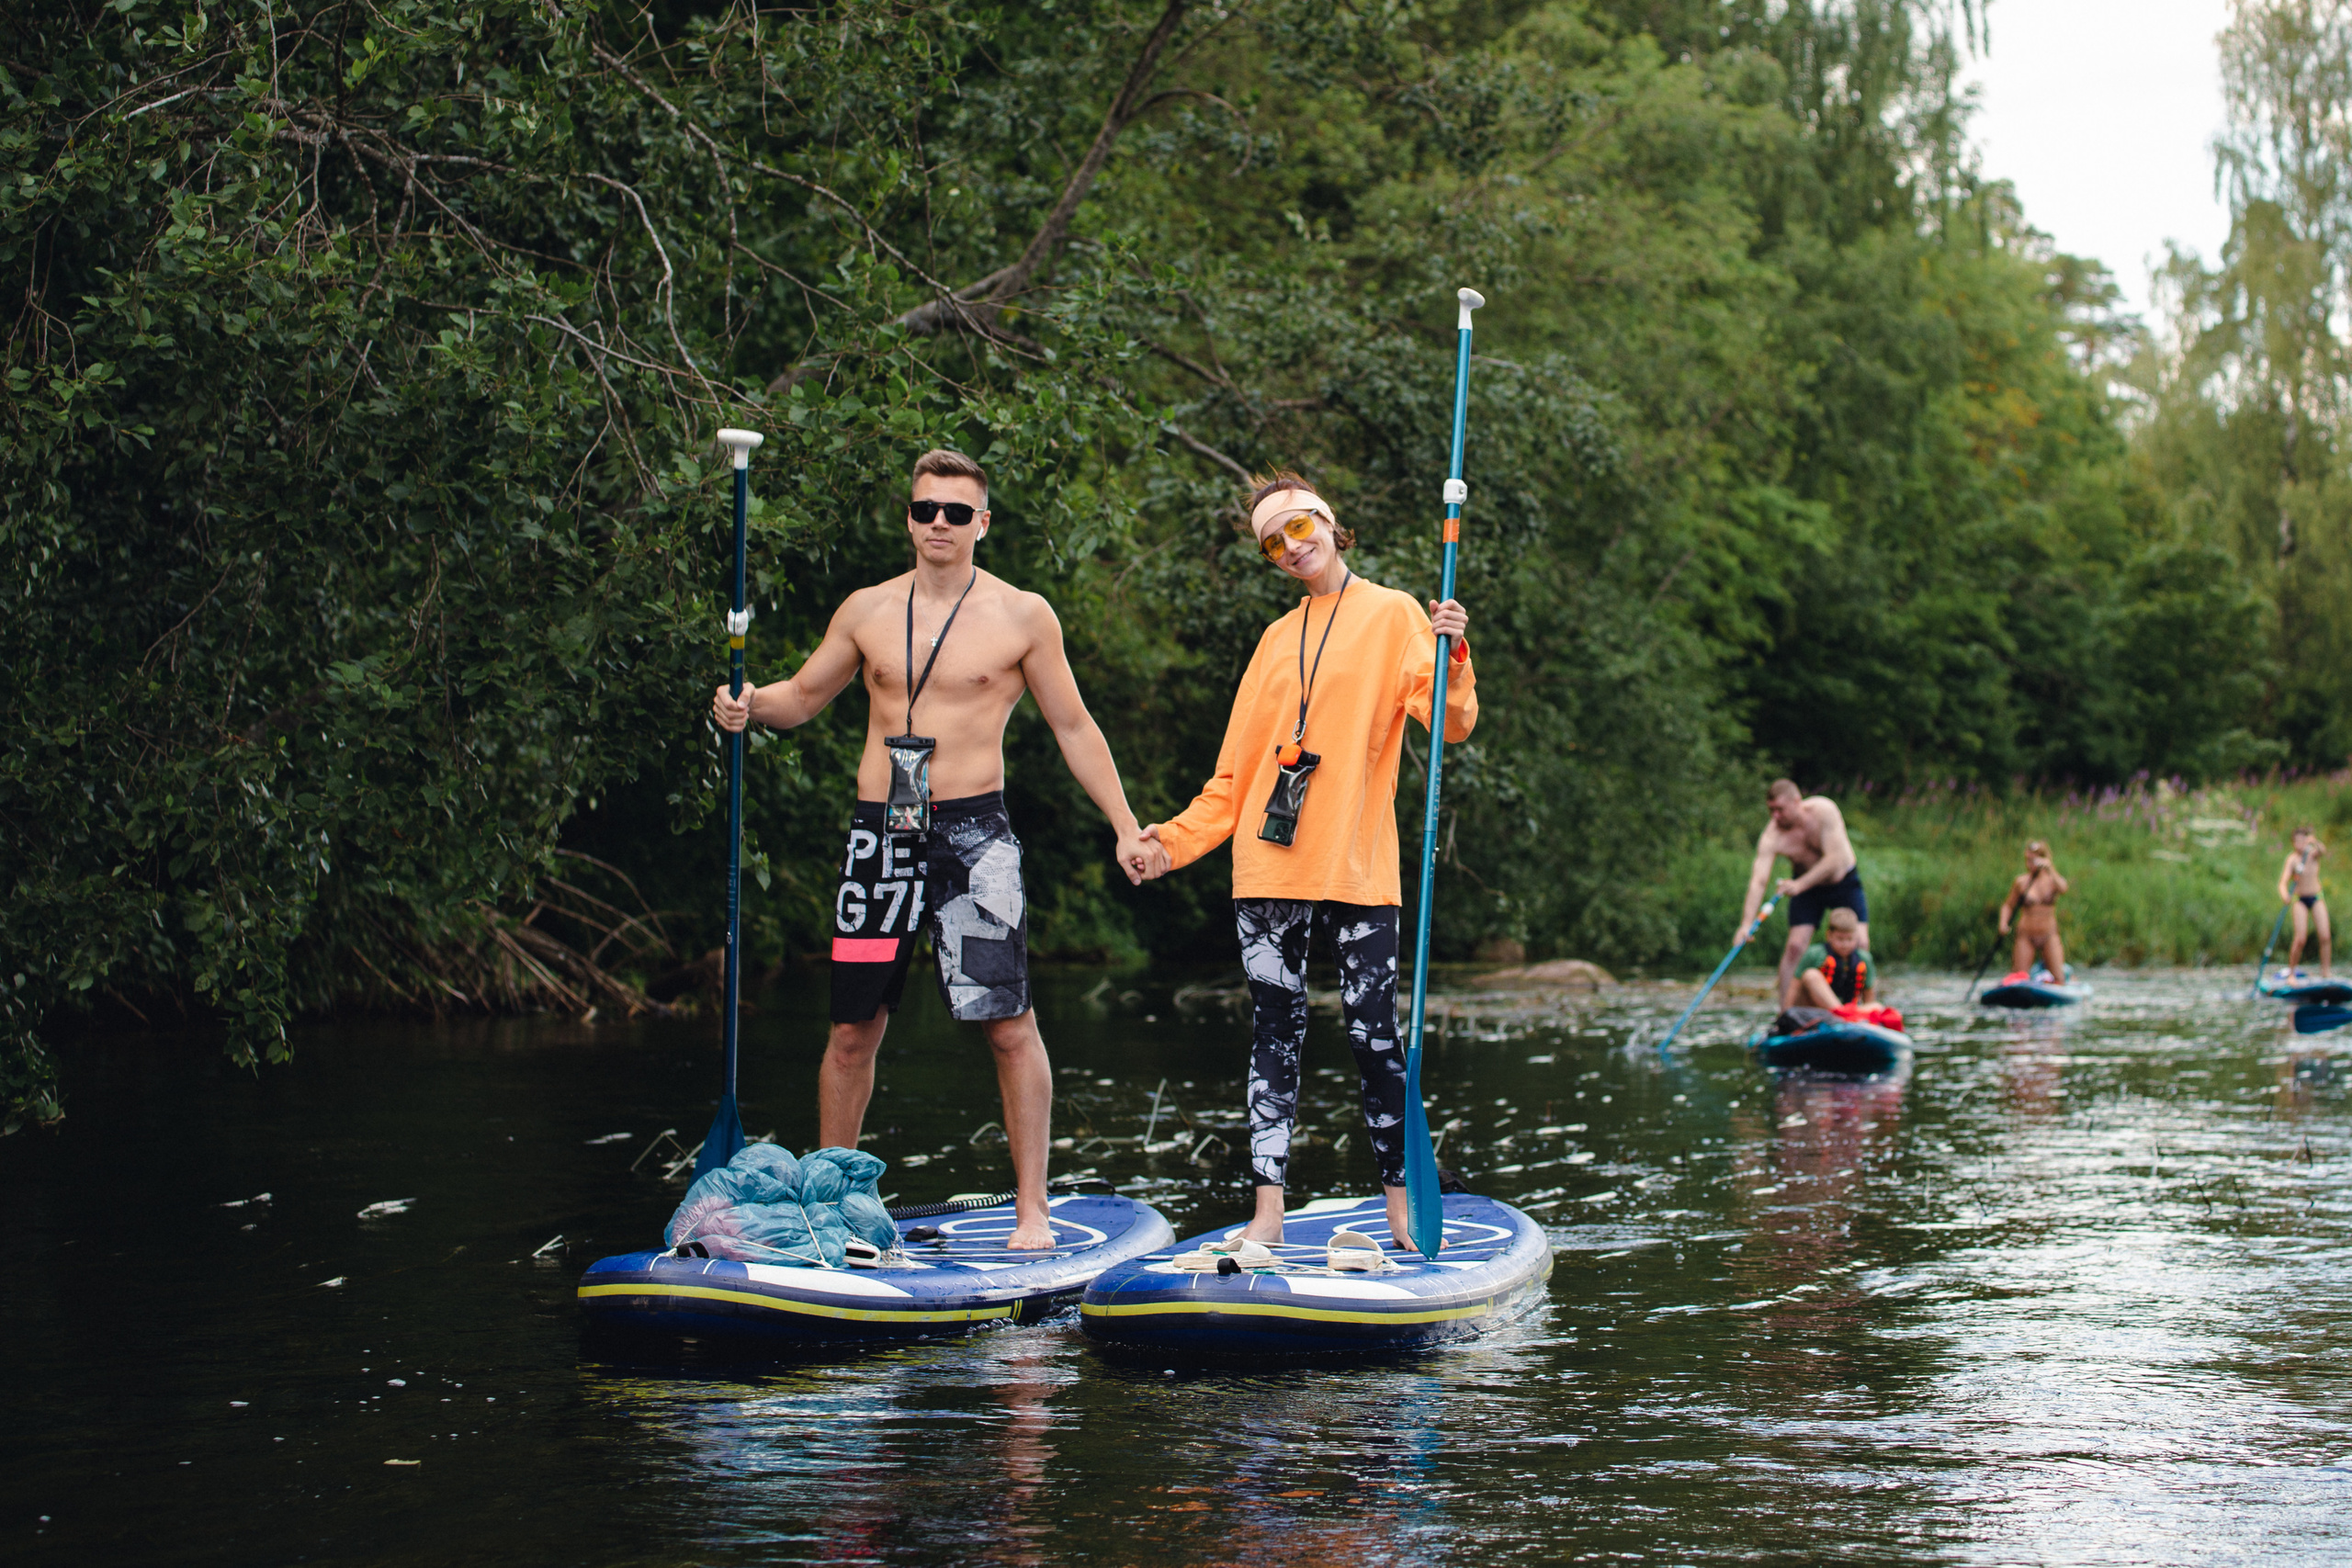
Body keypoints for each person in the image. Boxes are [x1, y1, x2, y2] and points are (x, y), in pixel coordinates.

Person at [711, 447, 1156, 1249]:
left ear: (983, 522)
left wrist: (1126, 824)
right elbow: (804, 696)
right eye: (926, 510)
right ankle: (832, 1205)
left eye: (956, 512)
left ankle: (1031, 1211)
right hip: (881, 835)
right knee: (852, 1029)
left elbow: (1073, 726)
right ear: (908, 518)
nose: (939, 524)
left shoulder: (1025, 615)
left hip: (974, 838)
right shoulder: (867, 609)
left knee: (1008, 1023)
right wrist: (748, 704)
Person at [1132, 471, 1476, 1253]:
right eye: (1273, 541)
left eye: (1298, 527)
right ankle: (1268, 1212)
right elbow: (1232, 781)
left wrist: (1453, 656)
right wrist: (1169, 844)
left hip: (1358, 865)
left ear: (1328, 520)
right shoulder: (1273, 641)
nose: (1292, 547)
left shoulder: (1394, 615)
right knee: (1274, 1035)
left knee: (1373, 1034)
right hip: (1268, 868)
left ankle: (1399, 1203)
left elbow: (1449, 724)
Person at [1737, 779, 1868, 1008]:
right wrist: (1746, 923)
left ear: (1797, 802)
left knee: (1861, 943)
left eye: (1780, 809)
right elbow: (1759, 880)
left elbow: (1834, 859)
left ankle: (1860, 1008)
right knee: (1795, 947)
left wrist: (1799, 885)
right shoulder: (1772, 836)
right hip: (1806, 887)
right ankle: (1786, 1014)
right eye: (1771, 810)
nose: (1775, 816)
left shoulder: (1824, 811)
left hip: (1842, 882)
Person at [1997, 840, 2070, 983]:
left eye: (2032, 860)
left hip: (2048, 934)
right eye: (2027, 860)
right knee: (2019, 976)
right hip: (2026, 935)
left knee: (2059, 978)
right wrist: (2003, 923)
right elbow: (2008, 905)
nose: (2028, 864)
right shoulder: (2021, 882)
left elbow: (2063, 888)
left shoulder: (2052, 880)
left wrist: (2050, 868)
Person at [1790, 908, 1875, 1010]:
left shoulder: (1864, 959)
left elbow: (1869, 995)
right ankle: (1841, 1012)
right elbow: (1794, 987)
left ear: (1856, 937)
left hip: (1851, 1011)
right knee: (1811, 975)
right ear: (1829, 935)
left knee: (1877, 1007)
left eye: (1849, 939)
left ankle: (1845, 1014)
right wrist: (1784, 1015)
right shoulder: (1814, 954)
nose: (1845, 944)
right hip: (1815, 1010)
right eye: (1840, 939)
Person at [2278, 826, 2332, 980]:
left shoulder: (2312, 854)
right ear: (2293, 842)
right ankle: (2292, 974)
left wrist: (2315, 841)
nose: (2300, 844)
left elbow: (2322, 851)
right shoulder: (2292, 859)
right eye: (2297, 841)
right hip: (2299, 900)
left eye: (2302, 840)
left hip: (2316, 897)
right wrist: (2284, 895)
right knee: (2300, 938)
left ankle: (2326, 972)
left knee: (2325, 936)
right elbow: (2283, 882)